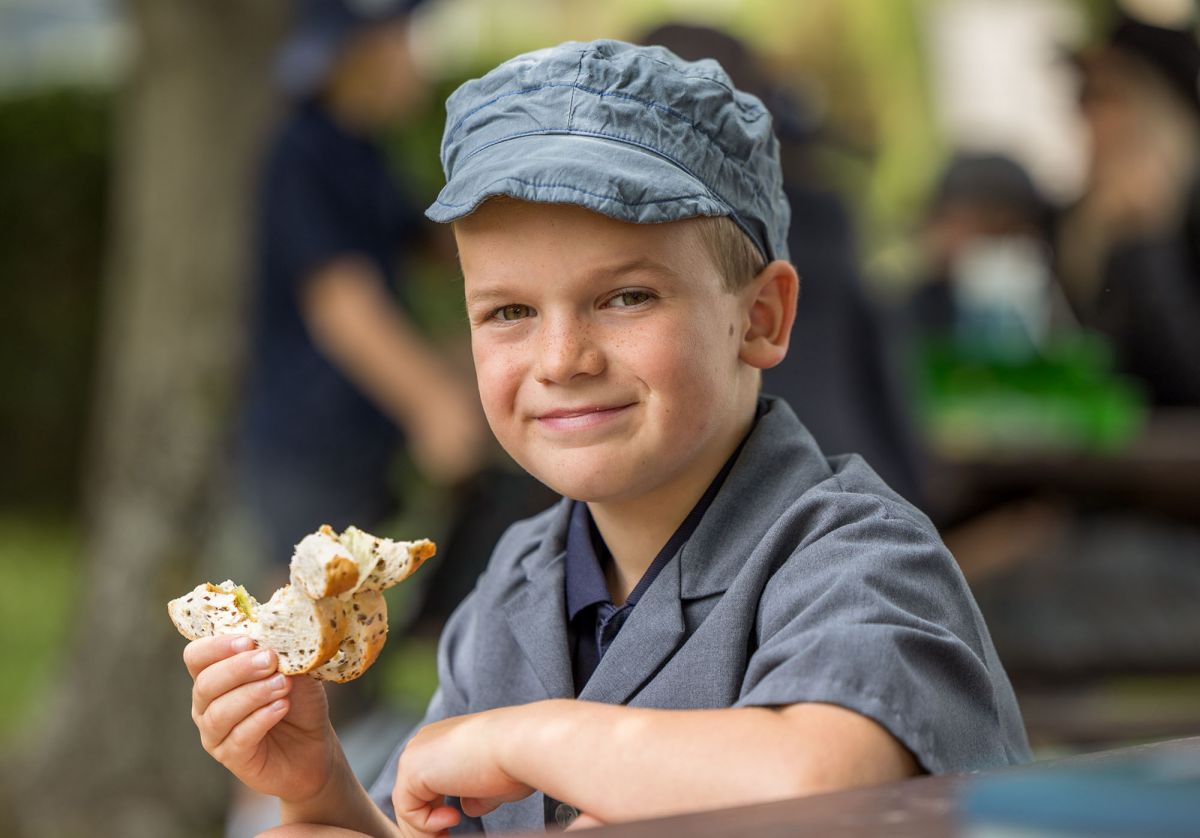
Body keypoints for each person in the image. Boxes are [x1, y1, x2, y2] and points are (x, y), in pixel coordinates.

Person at [185, 40, 1029, 836]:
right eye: (509, 312)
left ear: (760, 318)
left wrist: (528, 740)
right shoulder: (514, 591)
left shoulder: (857, 557)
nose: (562, 359)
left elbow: (822, 784)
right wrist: (322, 788)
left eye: (625, 297)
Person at [239, 0, 484, 581]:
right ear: (362, 50)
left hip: (361, 439)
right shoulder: (304, 154)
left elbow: (433, 248)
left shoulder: (363, 151)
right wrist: (434, 403)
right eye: (409, 37)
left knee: (359, 639)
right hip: (308, 447)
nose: (421, 57)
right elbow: (342, 306)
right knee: (305, 635)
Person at [1056, 14, 1200, 406]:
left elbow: (1185, 379)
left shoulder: (1181, 210)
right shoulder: (1082, 221)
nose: (1084, 116)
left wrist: (1145, 242)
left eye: (1100, 95)